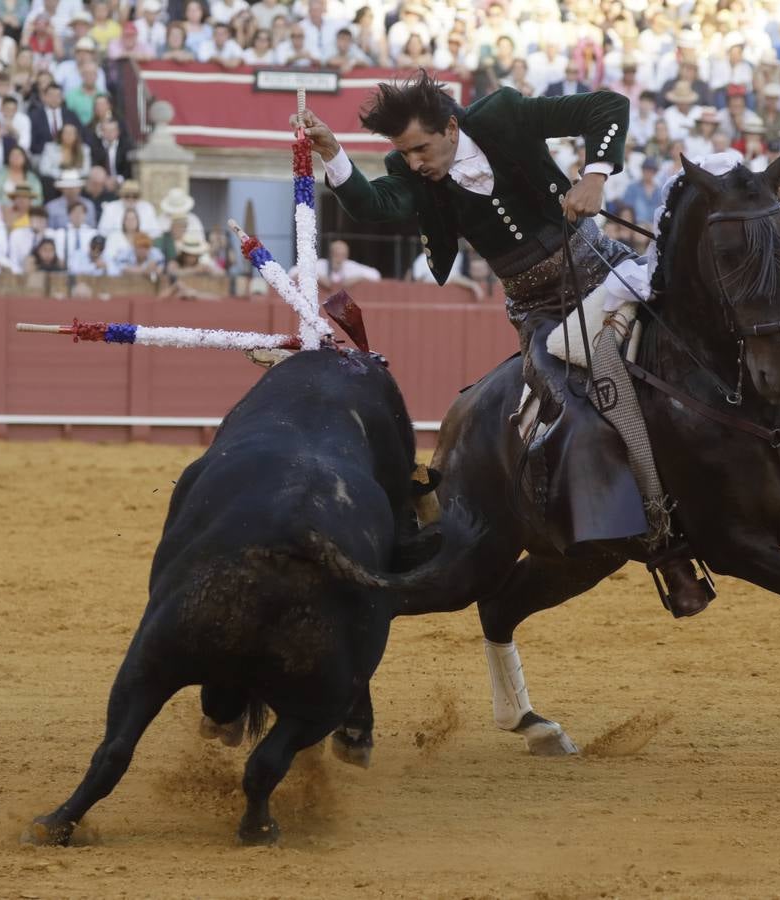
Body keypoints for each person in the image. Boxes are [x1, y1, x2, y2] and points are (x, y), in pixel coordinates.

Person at [299, 69, 712, 616]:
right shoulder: (410, 170)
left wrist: (594, 176)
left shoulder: (504, 115)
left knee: (698, 344)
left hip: (603, 268)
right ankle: (664, 548)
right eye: (406, 152)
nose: (417, 162)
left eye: (422, 147)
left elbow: (606, 106)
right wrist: (333, 153)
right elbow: (376, 205)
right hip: (538, 310)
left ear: (450, 127)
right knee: (579, 405)